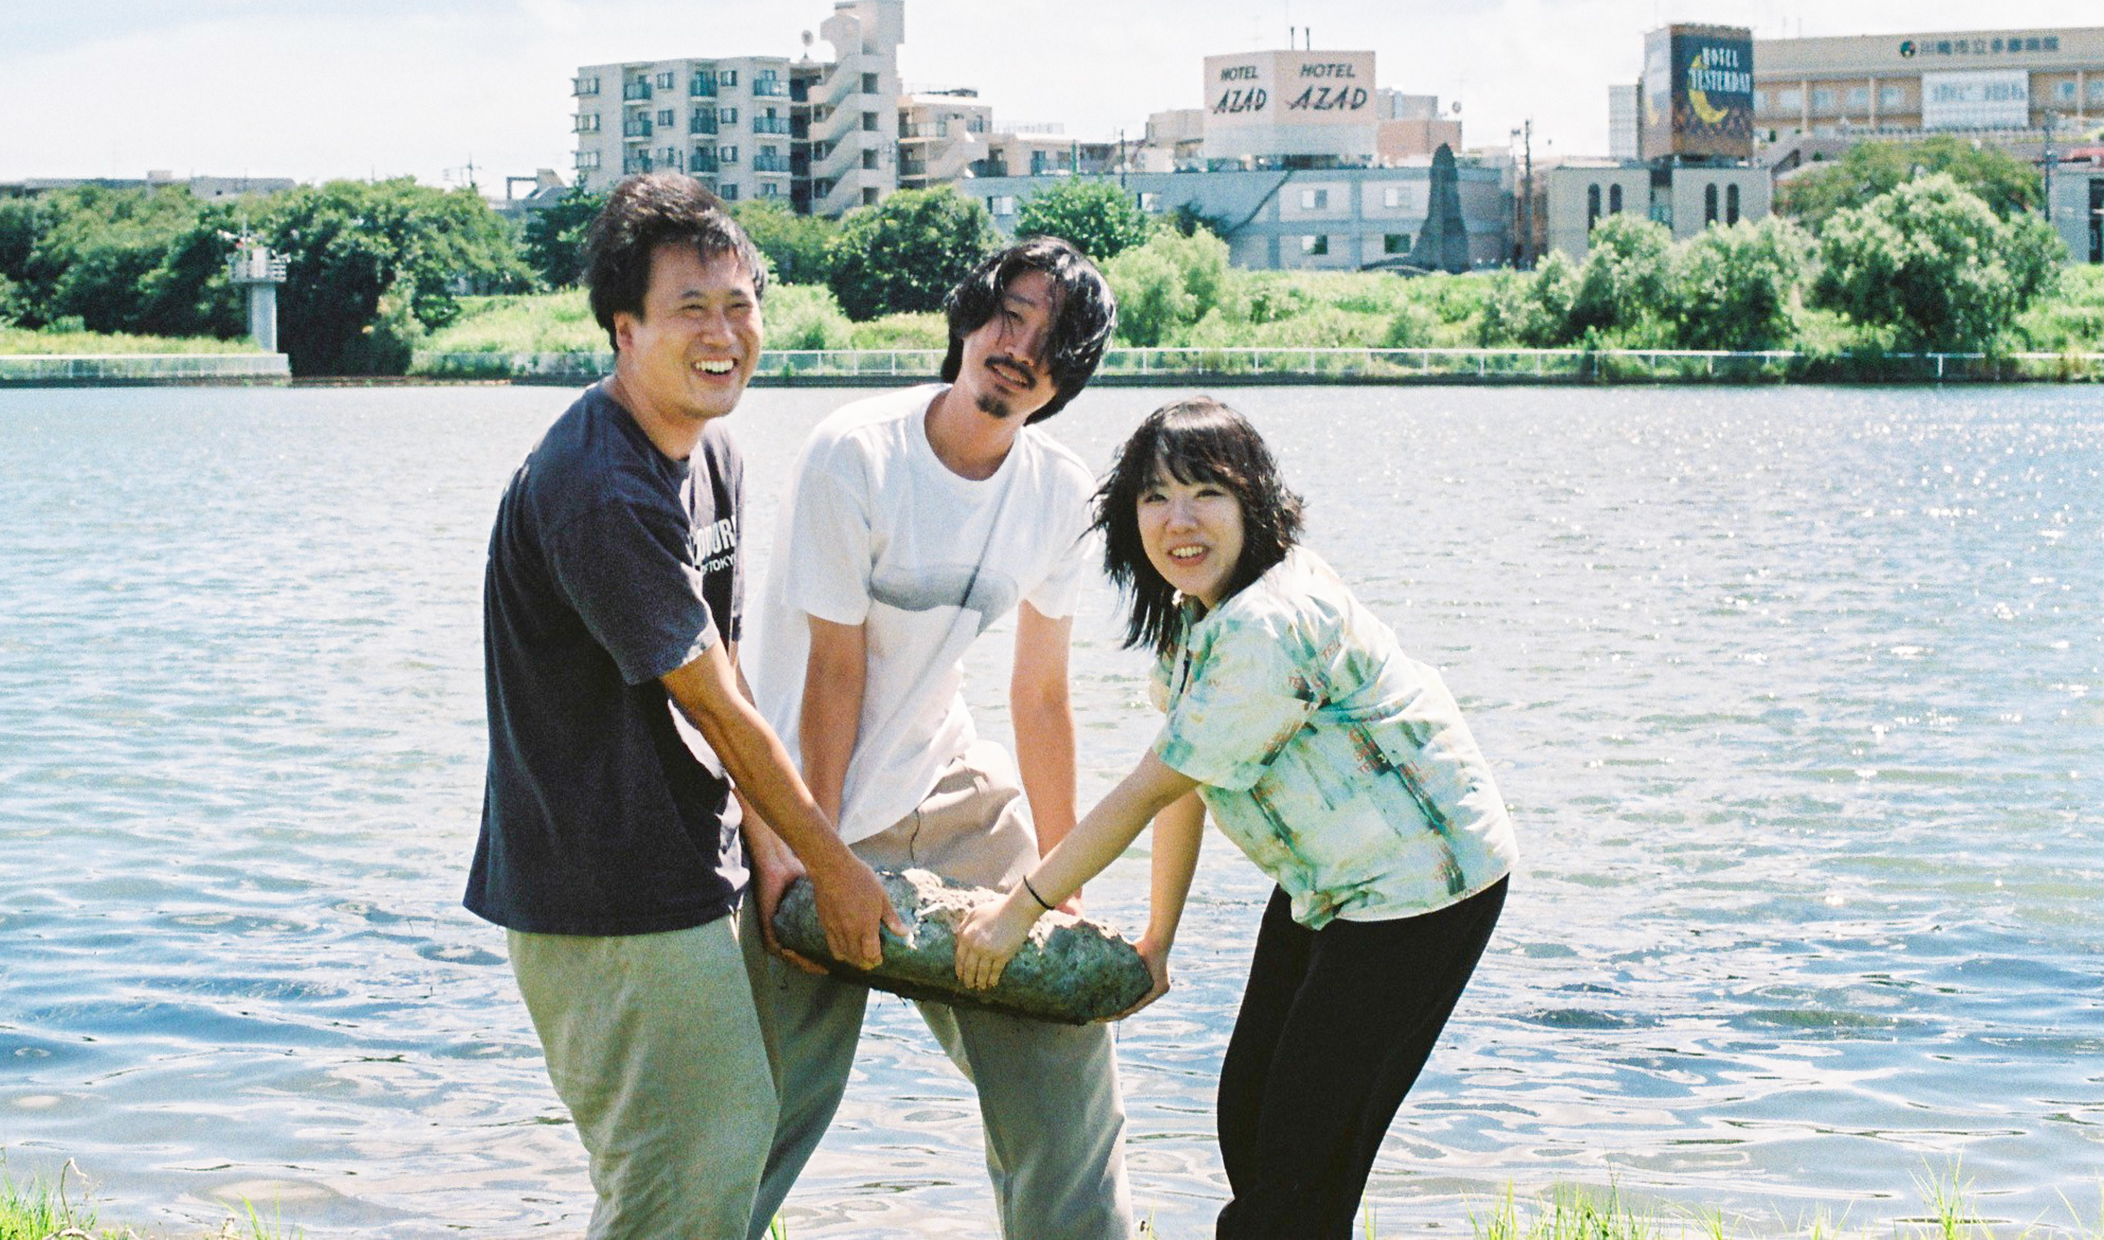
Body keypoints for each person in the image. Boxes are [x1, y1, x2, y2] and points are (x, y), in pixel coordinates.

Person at [955, 396, 1517, 1240]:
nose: (1178, 520)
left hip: (1421, 888)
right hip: (1334, 882)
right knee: (1251, 1114)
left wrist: (1018, 911)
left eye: (1204, 493)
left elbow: (1147, 789)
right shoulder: (1200, 615)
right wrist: (1158, 939)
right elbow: (1183, 778)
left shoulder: (1265, 625)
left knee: (1294, 1173)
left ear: (1253, 498)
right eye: (1153, 498)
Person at [465, 174, 901, 1240]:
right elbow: (705, 698)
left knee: (766, 1108)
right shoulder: (598, 489)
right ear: (624, 329)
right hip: (600, 889)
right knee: (686, 1169)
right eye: (688, 310)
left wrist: (778, 852)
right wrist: (831, 861)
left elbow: (730, 654)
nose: (723, 333)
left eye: (739, 301)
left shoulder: (712, 450)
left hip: (690, 857)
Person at [742, 236, 1132, 1240]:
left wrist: (1060, 881)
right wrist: (813, 860)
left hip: (949, 785)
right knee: (760, 1125)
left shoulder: (1057, 489)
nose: (1018, 346)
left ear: (1069, 373)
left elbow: (1040, 695)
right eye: (1008, 312)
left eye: (1051, 336)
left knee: (1063, 1060)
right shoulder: (856, 452)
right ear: (966, 315)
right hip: (800, 798)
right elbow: (834, 677)